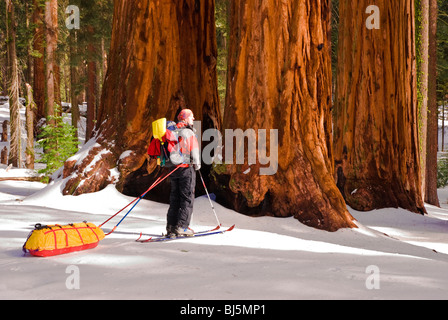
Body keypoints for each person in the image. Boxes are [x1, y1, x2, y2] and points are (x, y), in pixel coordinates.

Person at [166, 109, 201, 237]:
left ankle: (171, 227)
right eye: (191, 116)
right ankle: (182, 227)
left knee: (175, 197)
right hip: (186, 168)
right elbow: (194, 150)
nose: (193, 118)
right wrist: (197, 164)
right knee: (187, 198)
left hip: (174, 168)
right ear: (185, 118)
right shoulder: (188, 131)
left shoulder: (173, 130)